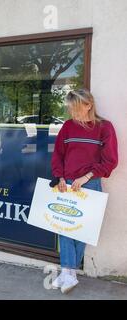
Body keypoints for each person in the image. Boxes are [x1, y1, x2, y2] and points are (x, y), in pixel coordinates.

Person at [50, 89, 118, 294]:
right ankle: (68, 273)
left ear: (89, 105)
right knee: (63, 227)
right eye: (70, 109)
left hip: (90, 183)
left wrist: (87, 177)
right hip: (67, 183)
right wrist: (60, 176)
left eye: (76, 109)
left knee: (81, 229)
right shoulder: (68, 127)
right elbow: (58, 154)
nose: (73, 113)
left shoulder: (104, 128)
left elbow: (110, 160)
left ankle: (68, 274)